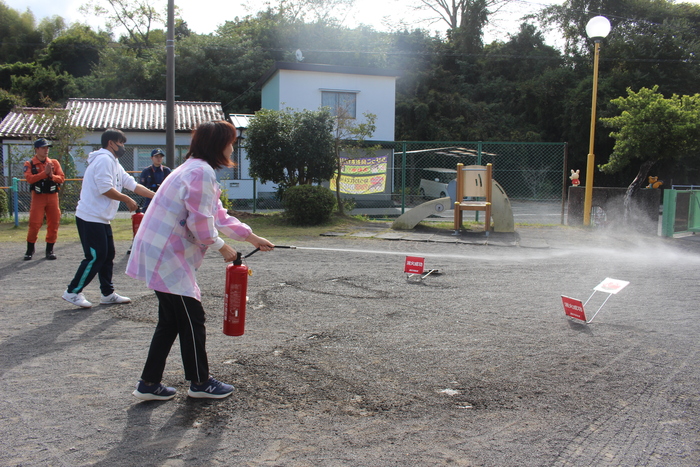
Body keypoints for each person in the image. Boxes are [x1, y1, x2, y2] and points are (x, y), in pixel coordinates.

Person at [127, 120, 274, 401]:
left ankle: (149, 383)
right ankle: (200, 382)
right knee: (191, 318)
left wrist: (252, 237)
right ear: (218, 145)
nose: (232, 148)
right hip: (167, 254)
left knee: (171, 320)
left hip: (162, 251)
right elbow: (201, 223)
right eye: (230, 142)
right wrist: (222, 247)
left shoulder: (194, 169)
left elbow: (217, 215)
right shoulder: (200, 172)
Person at [62, 129, 155, 309]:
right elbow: (105, 188)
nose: (123, 147)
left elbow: (132, 184)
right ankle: (72, 291)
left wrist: (157, 196)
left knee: (107, 255)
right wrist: (127, 199)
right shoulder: (104, 160)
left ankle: (107, 294)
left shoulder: (114, 162)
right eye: (121, 143)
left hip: (102, 219)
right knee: (95, 256)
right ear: (111, 143)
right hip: (90, 217)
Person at [23, 138, 65, 260]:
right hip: (38, 197)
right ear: (36, 149)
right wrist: (44, 173)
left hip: (52, 196)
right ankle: (30, 249)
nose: (46, 150)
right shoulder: (30, 164)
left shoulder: (54, 163)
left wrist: (51, 176)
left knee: (54, 222)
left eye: (47, 148)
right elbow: (30, 179)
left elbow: (61, 178)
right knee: (35, 223)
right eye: (43, 148)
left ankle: (50, 250)